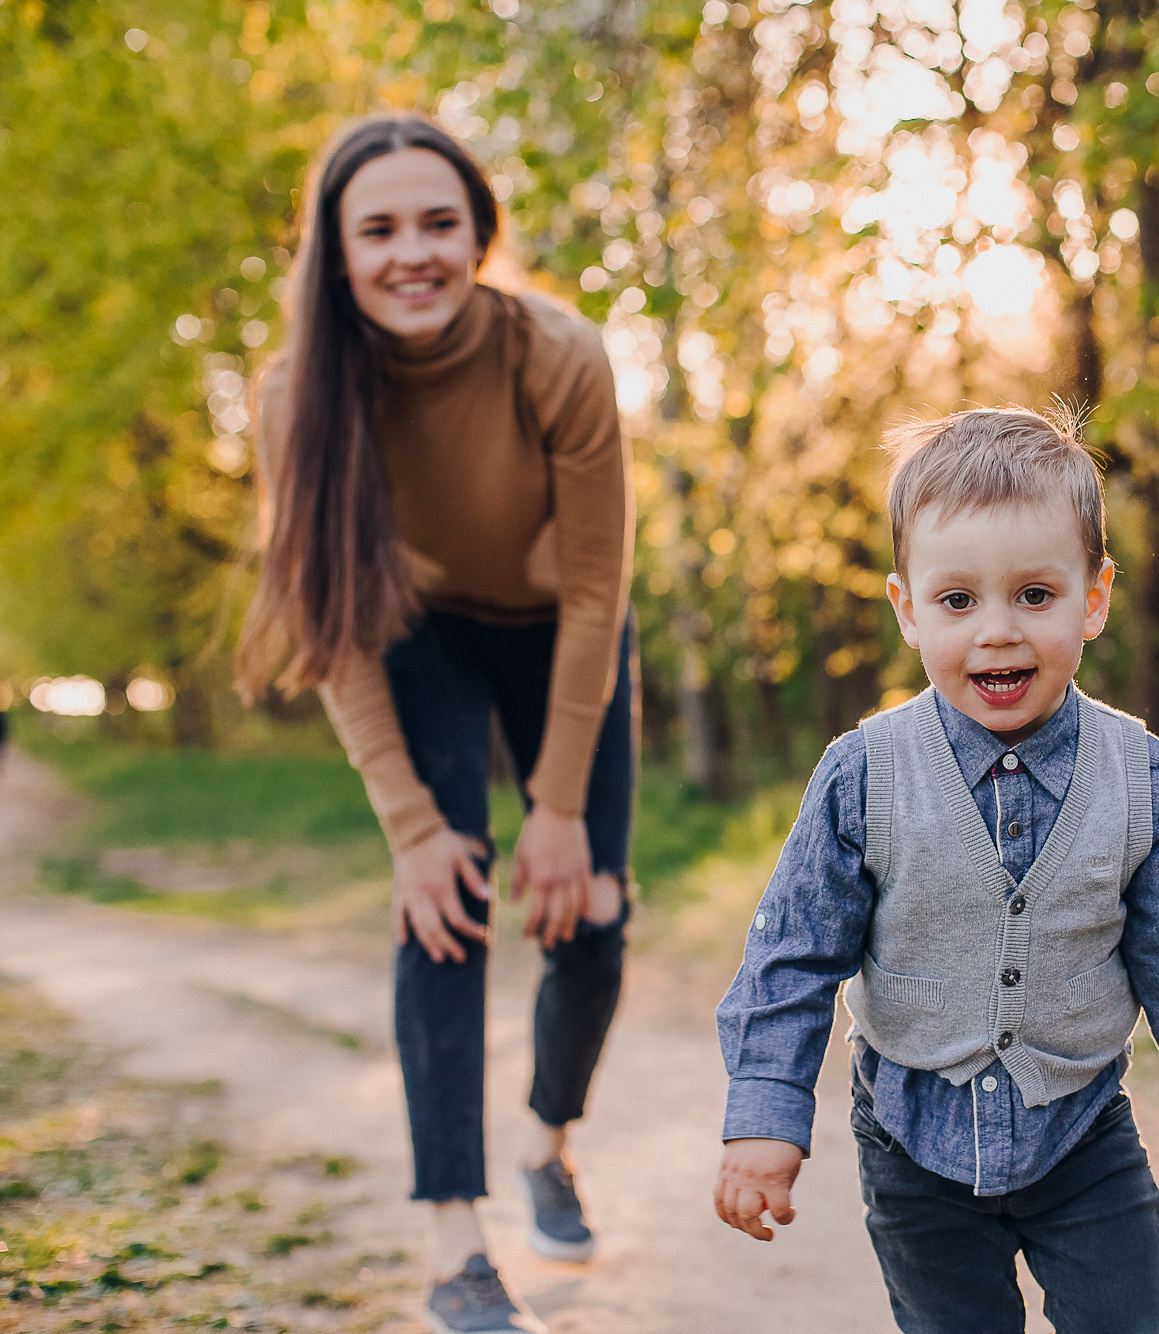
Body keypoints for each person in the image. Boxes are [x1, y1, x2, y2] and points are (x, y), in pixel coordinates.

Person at [712, 408, 1159, 1333]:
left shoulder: (1141, 777)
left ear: (1093, 598)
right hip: (911, 1136)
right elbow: (792, 955)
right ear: (906, 608)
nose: (998, 633)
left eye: (1035, 595)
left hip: (1081, 1131)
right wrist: (764, 1116)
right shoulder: (865, 775)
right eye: (958, 601)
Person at [236, 115, 635, 1334]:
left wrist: (559, 807)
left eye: (437, 223)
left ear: (478, 236)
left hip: (560, 621)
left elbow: (592, 590)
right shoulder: (298, 392)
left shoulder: (558, 355)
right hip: (414, 628)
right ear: (337, 251)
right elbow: (333, 621)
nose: (411, 251)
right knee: (445, 897)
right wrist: (412, 827)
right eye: (378, 228)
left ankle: (545, 1142)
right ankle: (455, 1239)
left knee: (594, 914)